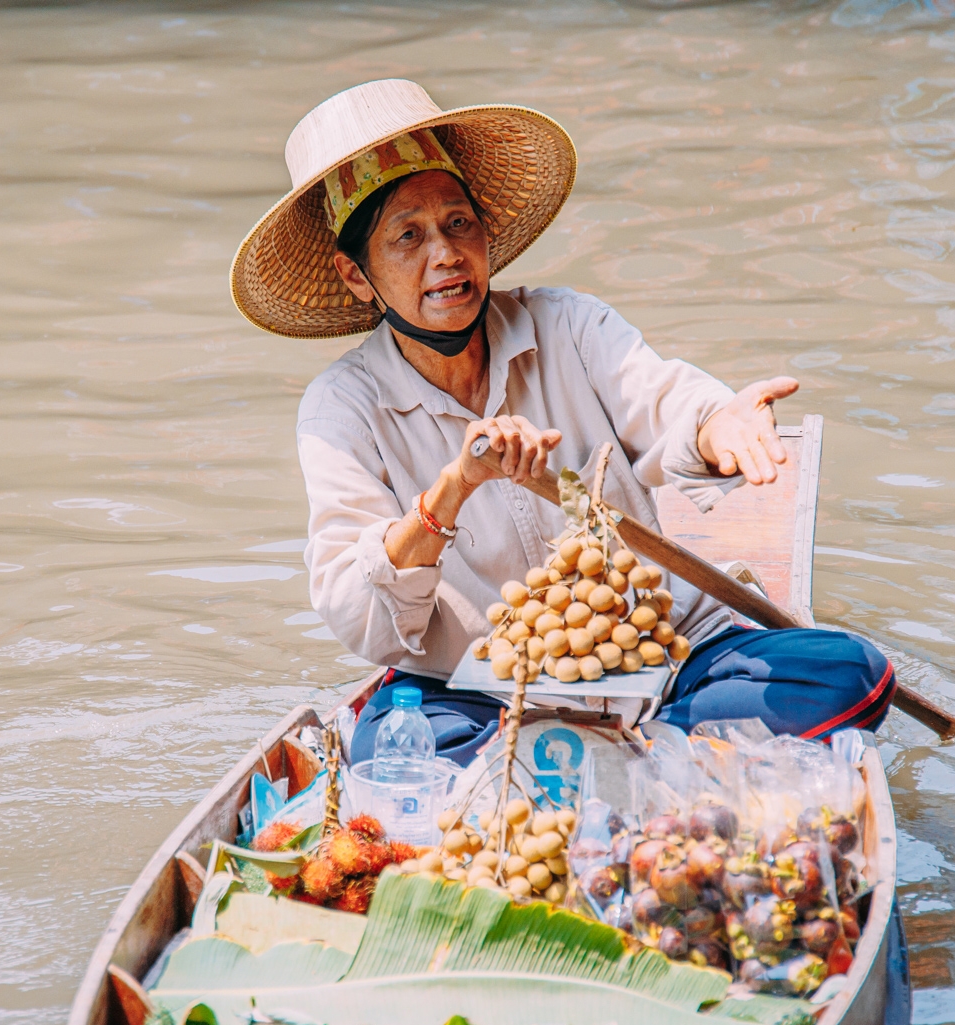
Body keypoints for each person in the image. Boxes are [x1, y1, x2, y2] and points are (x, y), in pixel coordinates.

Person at [231, 80, 894, 766]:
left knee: (852, 675)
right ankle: (644, 764)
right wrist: (456, 486)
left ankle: (599, 762)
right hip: (477, 696)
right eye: (408, 236)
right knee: (392, 754)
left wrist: (717, 422)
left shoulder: (567, 323)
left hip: (662, 667)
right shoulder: (341, 407)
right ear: (356, 276)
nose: (446, 255)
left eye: (459, 223)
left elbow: (666, 399)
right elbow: (355, 608)